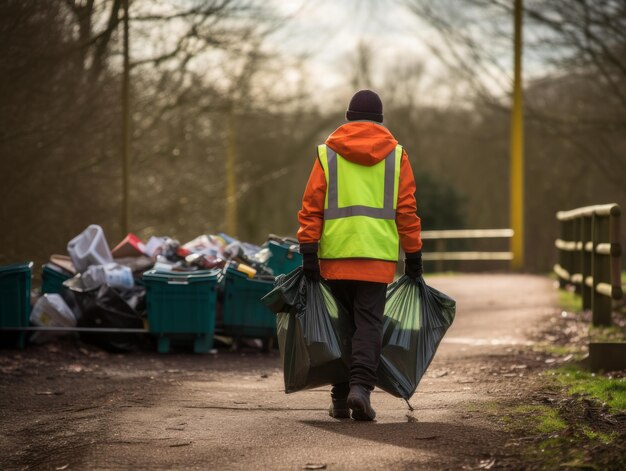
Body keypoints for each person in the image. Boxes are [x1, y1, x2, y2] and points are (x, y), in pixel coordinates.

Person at [297, 89, 423, 421]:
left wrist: (308, 250)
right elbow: (406, 210)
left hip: (335, 256)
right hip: (376, 258)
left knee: (341, 326)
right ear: (380, 121)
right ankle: (360, 390)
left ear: (348, 117)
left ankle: (340, 398)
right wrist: (413, 255)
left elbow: (311, 207)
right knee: (368, 324)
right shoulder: (397, 156)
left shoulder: (328, 155)